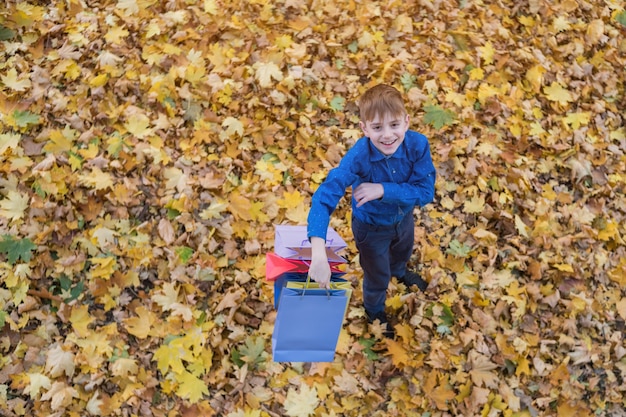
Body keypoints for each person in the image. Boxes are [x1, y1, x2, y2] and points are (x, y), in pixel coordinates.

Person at [306, 83, 436, 338]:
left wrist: (383, 190)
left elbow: (425, 192)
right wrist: (318, 252)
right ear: (365, 129)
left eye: (394, 125)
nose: (387, 135)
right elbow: (324, 197)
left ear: (406, 122)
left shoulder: (418, 145)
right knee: (377, 273)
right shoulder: (358, 158)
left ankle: (399, 272)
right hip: (371, 228)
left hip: (404, 219)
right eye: (377, 128)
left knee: (402, 251)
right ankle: (374, 309)